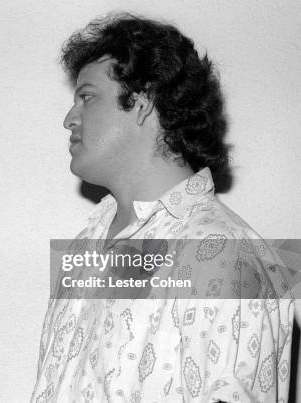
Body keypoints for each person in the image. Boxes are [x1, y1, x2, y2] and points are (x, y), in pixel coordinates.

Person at [31, 13, 294, 402]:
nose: (69, 119)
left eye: (87, 97)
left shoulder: (224, 257)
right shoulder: (85, 244)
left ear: (143, 102)